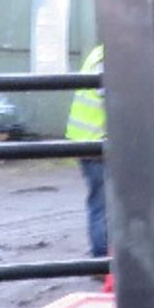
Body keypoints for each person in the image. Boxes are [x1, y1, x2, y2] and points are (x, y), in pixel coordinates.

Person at [65, 42, 107, 258]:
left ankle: (104, 257)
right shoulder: (110, 58)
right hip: (96, 143)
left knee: (100, 201)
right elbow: (117, 98)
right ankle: (102, 259)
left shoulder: (99, 53)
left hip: (87, 140)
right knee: (103, 202)